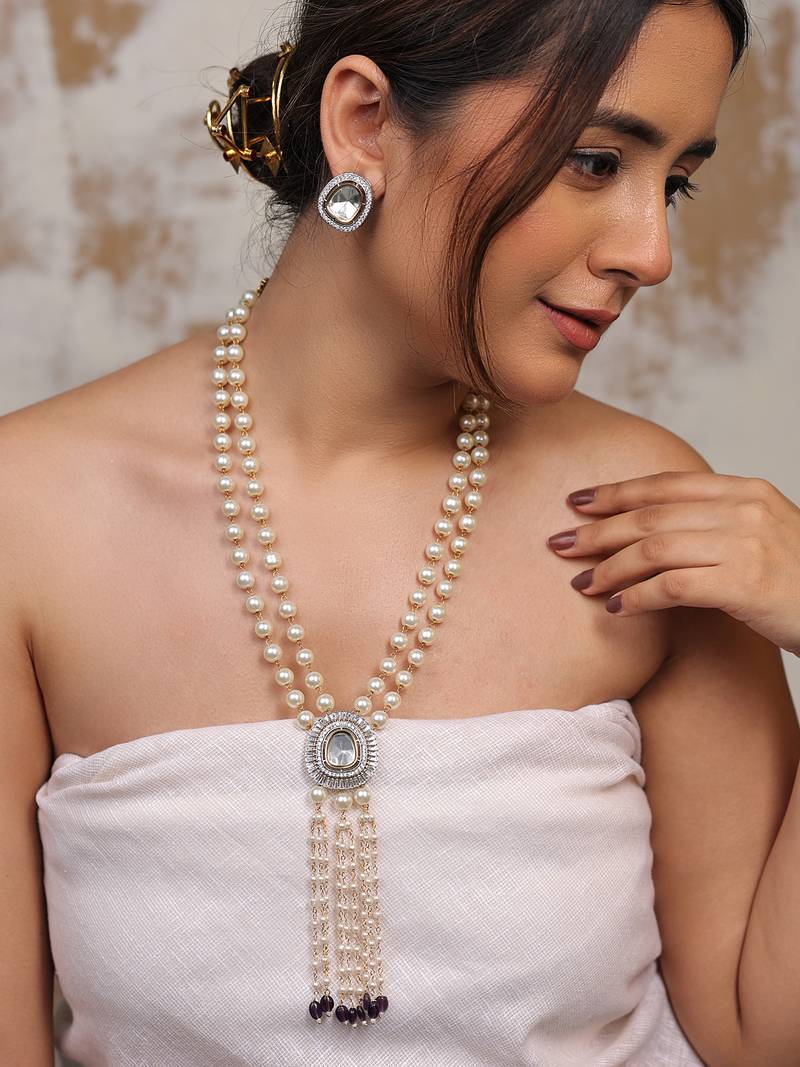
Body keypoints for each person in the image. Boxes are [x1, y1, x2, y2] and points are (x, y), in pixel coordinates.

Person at [4, 0, 800, 1063]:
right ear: (366, 124)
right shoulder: (30, 517)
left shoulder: (648, 515)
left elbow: (760, 1035)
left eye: (675, 183)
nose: (650, 252)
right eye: (596, 161)